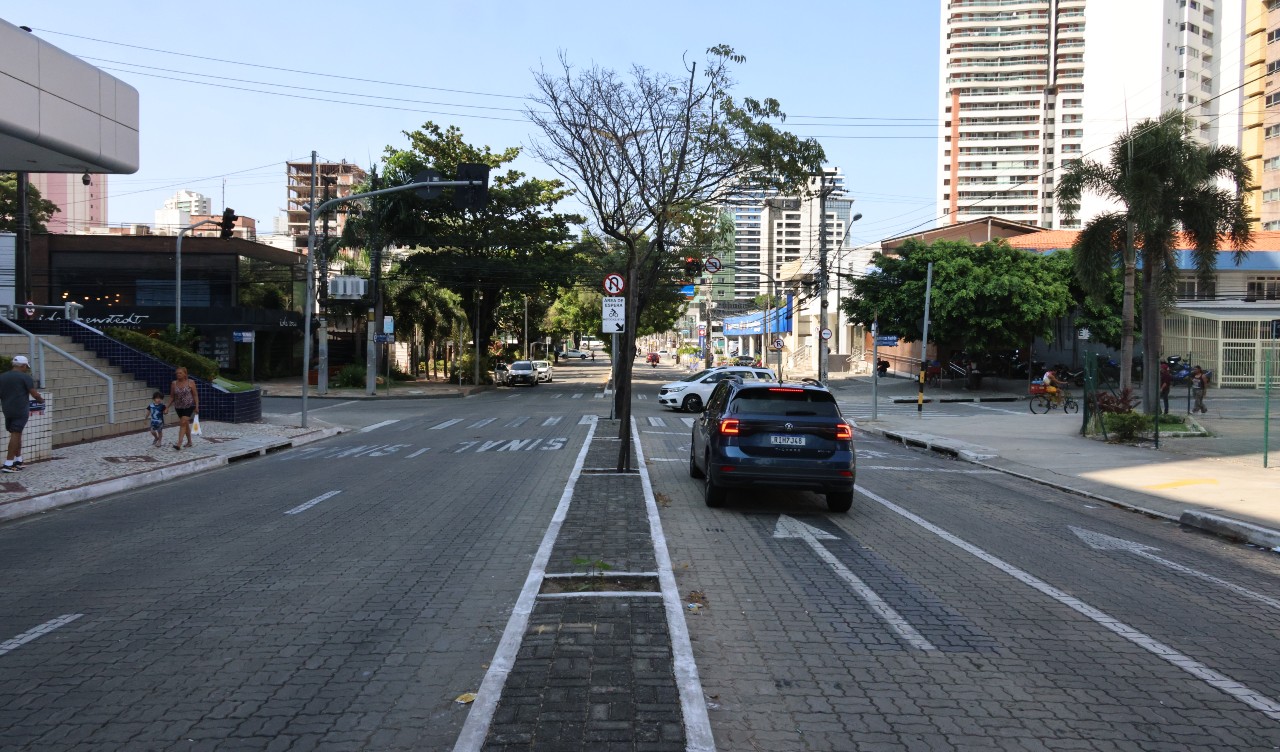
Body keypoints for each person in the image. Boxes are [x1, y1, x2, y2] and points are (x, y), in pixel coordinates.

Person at [0, 355, 45, 472]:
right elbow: (34, 393)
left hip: (7, 409)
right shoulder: (25, 377)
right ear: (23, 365)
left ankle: (18, 461)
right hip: (20, 409)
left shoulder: (2, 377)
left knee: (17, 433)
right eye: (26, 366)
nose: (26, 369)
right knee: (16, 434)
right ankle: (8, 464)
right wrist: (41, 400)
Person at [165, 366, 199, 450]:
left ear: (185, 374)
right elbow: (172, 397)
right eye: (177, 373)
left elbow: (195, 395)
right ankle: (190, 442)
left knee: (183, 422)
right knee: (185, 424)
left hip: (189, 405)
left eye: (180, 373)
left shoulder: (191, 382)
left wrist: (197, 406)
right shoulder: (174, 383)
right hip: (178, 407)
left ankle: (179, 444)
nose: (178, 375)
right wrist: (167, 407)